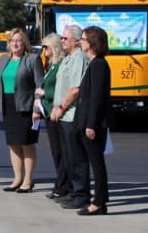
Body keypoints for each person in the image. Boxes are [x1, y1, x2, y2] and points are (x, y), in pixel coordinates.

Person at [0, 28, 43, 192]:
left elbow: (40, 86)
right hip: (8, 105)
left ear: (24, 43)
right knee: (13, 144)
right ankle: (17, 178)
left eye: (19, 40)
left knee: (26, 143)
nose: (15, 44)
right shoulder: (4, 59)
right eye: (12, 41)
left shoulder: (32, 59)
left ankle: (28, 180)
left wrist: (37, 109)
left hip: (26, 107)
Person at [72, 25, 113, 216]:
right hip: (87, 120)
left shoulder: (99, 65)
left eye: (83, 39)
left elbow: (97, 98)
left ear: (92, 42)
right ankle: (100, 200)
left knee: (97, 164)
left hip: (93, 123)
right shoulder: (94, 63)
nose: (80, 42)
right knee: (94, 162)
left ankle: (98, 202)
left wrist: (90, 124)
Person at [50, 23, 89, 209]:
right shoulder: (67, 58)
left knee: (77, 157)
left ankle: (81, 194)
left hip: (71, 115)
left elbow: (75, 89)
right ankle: (72, 191)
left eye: (65, 38)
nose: (62, 41)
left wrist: (61, 107)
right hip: (63, 116)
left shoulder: (79, 58)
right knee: (67, 157)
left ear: (76, 41)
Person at [34, 33, 67, 198]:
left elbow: (62, 90)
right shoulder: (52, 65)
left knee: (60, 151)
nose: (43, 50)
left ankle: (63, 186)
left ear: (54, 47)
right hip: (48, 112)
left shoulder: (60, 65)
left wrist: (43, 92)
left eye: (45, 47)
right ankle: (61, 183)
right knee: (56, 151)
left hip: (56, 112)